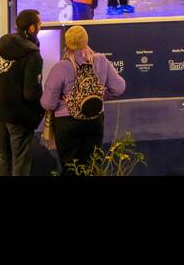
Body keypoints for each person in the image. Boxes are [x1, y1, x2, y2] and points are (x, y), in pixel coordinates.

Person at [41, 25, 126, 176]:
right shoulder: (100, 61)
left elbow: (48, 103)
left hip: (67, 123)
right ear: (86, 40)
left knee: (71, 168)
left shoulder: (61, 67)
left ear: (67, 43)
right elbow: (119, 88)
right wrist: (99, 95)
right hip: (94, 120)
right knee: (92, 166)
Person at [0, 10, 45, 177]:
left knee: (5, 159)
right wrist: (40, 109)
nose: (40, 27)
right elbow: (30, 93)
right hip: (19, 116)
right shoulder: (33, 54)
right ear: (32, 28)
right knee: (20, 162)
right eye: (40, 24)